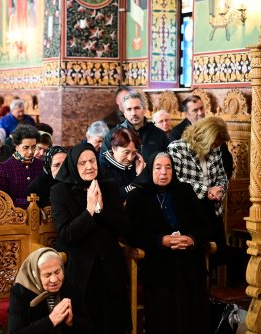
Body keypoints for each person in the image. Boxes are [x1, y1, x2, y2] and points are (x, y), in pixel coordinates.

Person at [50, 143, 132, 334]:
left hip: (110, 268)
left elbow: (125, 228)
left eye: (92, 161)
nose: (89, 166)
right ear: (72, 166)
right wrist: (89, 211)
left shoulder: (109, 186)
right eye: (82, 163)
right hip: (80, 272)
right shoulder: (59, 192)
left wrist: (101, 210)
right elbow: (67, 235)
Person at [125, 152, 211, 334]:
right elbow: (131, 234)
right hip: (158, 261)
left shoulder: (185, 191)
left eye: (168, 167)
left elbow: (205, 227)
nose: (163, 172)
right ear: (150, 169)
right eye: (158, 167)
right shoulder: (137, 196)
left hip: (188, 259)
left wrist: (192, 240)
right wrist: (160, 240)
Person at [168, 116, 230, 265]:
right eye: (214, 143)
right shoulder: (177, 148)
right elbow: (177, 180)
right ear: (205, 136)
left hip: (211, 206)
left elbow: (222, 176)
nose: (216, 146)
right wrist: (207, 191)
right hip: (188, 207)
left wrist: (220, 189)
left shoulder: (215, 150)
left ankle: (212, 279)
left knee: (219, 250)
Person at [8, 247, 93, 334]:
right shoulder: (20, 292)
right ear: (35, 275)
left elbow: (89, 327)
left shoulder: (71, 285)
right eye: (47, 275)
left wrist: (72, 321)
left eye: (57, 272)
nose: (54, 280)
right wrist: (51, 321)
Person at [168, 95, 234, 179]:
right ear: (186, 114)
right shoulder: (176, 133)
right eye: (195, 110)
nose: (200, 113)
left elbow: (226, 159)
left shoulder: (213, 128)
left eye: (201, 108)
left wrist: (222, 184)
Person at [101, 91, 169, 162]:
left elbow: (167, 162)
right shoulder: (112, 136)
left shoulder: (159, 135)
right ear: (124, 113)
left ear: (144, 110)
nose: (133, 113)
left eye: (137, 108)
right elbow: (104, 163)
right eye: (129, 109)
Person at [0, 124, 43, 209]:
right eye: (26, 147)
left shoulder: (41, 165)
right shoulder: (4, 168)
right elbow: (2, 199)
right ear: (16, 147)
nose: (30, 152)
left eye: (34, 147)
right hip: (13, 217)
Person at [98, 128, 145, 203]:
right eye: (126, 152)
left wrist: (140, 174)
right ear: (113, 148)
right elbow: (115, 197)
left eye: (134, 153)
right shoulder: (102, 168)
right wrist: (139, 180)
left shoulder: (137, 165)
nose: (130, 158)